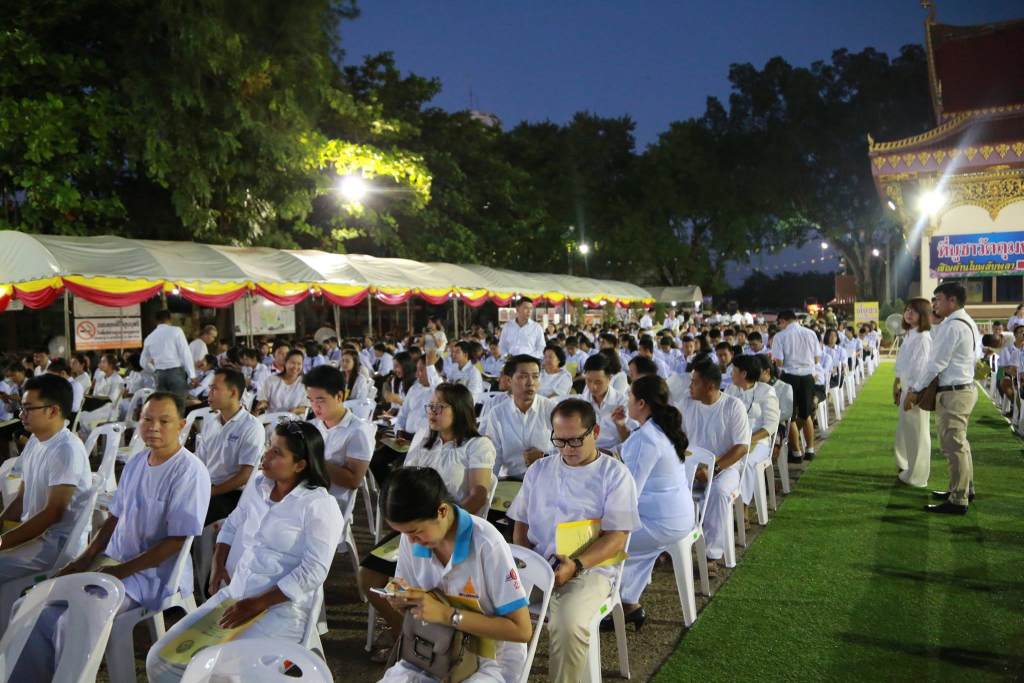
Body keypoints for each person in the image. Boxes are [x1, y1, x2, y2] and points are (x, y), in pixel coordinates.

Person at [11, 392, 210, 682]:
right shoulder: (137, 462)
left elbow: (176, 541)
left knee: (73, 621)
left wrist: (121, 571)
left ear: (181, 425)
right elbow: (114, 517)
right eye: (147, 419)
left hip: (150, 574)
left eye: (164, 421)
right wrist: (85, 558)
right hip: (112, 564)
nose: (153, 427)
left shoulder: (189, 472)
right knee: (31, 605)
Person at [147, 421, 343, 682]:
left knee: (215, 674)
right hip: (236, 596)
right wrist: (218, 565)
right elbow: (231, 524)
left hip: (281, 611)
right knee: (161, 659)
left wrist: (257, 603)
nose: (266, 455)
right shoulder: (260, 485)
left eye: (277, 452)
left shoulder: (319, 505)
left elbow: (314, 571)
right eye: (269, 446)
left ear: (300, 465)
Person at [507, 399, 640, 683]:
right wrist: (523, 561)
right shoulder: (539, 469)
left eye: (576, 440)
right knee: (490, 603)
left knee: (569, 624)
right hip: (538, 563)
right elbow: (521, 521)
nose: (567, 449)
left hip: (590, 569)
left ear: (595, 432)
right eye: (560, 440)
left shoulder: (615, 475)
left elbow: (617, 537)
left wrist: (577, 565)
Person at [359, 383, 495, 661]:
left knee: (424, 583)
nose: (432, 411)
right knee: (368, 575)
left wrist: (444, 526)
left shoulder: (477, 445)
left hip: (452, 530)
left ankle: (434, 638)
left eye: (440, 407)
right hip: (415, 528)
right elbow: (408, 481)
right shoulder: (424, 438)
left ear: (460, 410)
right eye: (430, 406)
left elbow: (478, 495)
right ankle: (403, 630)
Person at [377, 467, 532, 683]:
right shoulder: (412, 539)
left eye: (415, 532)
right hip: (433, 649)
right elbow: (419, 610)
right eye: (404, 533)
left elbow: (521, 630)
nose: (411, 541)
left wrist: (448, 615)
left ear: (442, 511)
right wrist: (402, 600)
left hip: (490, 659)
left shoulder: (486, 544)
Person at [611, 375, 692, 628]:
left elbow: (629, 494)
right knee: (623, 537)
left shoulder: (646, 437)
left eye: (630, 395)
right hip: (679, 517)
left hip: (661, 523)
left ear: (641, 403)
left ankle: (603, 606)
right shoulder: (659, 428)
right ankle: (629, 604)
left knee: (598, 541)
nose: (627, 400)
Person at [0, 375, 92, 583]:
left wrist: (2, 542)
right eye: (22, 408)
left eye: (28, 409)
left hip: (58, 543)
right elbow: (21, 499)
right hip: (37, 532)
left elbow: (53, 514)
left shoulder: (66, 449)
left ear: (53, 411)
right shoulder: (35, 441)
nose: (22, 414)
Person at [904, 281, 980, 513]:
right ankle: (963, 489)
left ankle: (958, 499)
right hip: (963, 388)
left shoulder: (953, 326)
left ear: (952, 301)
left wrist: (915, 390)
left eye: (937, 299)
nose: (934, 304)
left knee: (954, 446)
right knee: (960, 444)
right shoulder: (966, 322)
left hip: (954, 392)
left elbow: (935, 364)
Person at [677, 359, 750, 576]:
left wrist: (714, 469)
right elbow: (676, 437)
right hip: (691, 466)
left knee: (718, 491)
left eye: (694, 382)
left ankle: (711, 556)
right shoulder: (685, 404)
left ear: (709, 386)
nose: (690, 386)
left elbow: (742, 446)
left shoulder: (732, 406)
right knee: (666, 487)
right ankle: (669, 545)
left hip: (726, 466)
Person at [304, 365, 375, 519]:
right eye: (311, 400)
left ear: (339, 396)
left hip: (330, 507)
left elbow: (353, 481)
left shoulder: (358, 432)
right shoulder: (312, 426)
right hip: (304, 497)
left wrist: (312, 460)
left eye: (321, 400)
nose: (315, 406)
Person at [197, 367, 264, 525]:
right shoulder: (211, 423)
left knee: (191, 515)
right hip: (208, 487)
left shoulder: (251, 427)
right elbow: (200, 463)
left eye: (214, 388)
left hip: (232, 494)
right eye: (210, 388)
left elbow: (244, 476)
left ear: (233, 393)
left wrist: (210, 492)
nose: (209, 394)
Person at [481, 354, 557, 480]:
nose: (531, 383)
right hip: (513, 481)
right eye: (524, 376)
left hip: (547, 478)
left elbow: (567, 450)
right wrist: (488, 486)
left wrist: (545, 456)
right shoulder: (498, 414)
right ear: (509, 380)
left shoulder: (552, 409)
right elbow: (494, 457)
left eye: (535, 376)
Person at [725, 355, 781, 513]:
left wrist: (748, 439)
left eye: (734, 370)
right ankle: (722, 502)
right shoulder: (731, 389)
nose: (731, 374)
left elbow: (771, 425)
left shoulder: (766, 391)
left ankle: (743, 508)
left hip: (758, 442)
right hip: (733, 440)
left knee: (746, 461)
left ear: (744, 374)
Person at [893, 298, 933, 488]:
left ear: (923, 315)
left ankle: (917, 476)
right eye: (907, 310)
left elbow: (920, 369)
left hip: (916, 389)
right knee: (905, 430)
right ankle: (906, 466)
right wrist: (896, 382)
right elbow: (903, 362)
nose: (909, 314)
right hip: (907, 386)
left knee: (918, 432)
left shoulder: (923, 338)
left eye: (914, 311)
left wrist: (911, 393)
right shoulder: (910, 333)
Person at [771, 310, 821, 461]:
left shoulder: (780, 336)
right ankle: (810, 450)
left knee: (790, 416)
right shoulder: (811, 333)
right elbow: (816, 359)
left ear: (782, 321)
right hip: (807, 377)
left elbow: (779, 362)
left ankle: (796, 452)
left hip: (789, 377)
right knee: (806, 414)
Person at [580, 353, 634, 452]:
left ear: (609, 379)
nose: (593, 387)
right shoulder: (580, 402)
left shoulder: (623, 402)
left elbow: (632, 442)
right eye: (589, 381)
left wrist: (621, 425)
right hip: (586, 451)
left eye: (598, 382)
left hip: (614, 453)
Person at [141, 309, 197, 399]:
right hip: (175, 373)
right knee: (177, 403)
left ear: (155, 322)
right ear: (170, 320)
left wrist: (155, 371)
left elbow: (142, 362)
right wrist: (192, 375)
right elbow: (185, 353)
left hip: (159, 376)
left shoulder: (149, 337)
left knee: (162, 404)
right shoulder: (176, 331)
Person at [76, 353, 124, 437]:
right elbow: (95, 394)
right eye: (100, 362)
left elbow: (113, 399)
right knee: (80, 417)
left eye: (103, 362)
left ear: (110, 365)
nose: (100, 364)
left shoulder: (117, 380)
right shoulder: (100, 377)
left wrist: (98, 399)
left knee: (86, 421)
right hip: (97, 406)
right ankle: (85, 443)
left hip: (110, 408)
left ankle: (91, 442)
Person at [254, 349, 309, 415]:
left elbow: (304, 406)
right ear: (285, 363)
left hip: (295, 419)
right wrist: (262, 405)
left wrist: (295, 411)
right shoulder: (271, 380)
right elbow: (264, 400)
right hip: (272, 418)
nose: (295, 367)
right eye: (292, 363)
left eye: (299, 364)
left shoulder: (305, 383)